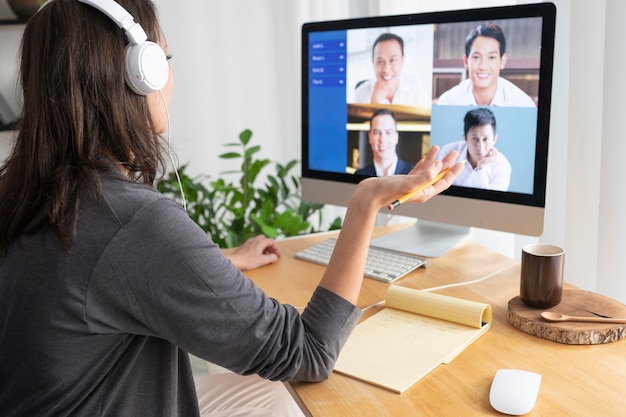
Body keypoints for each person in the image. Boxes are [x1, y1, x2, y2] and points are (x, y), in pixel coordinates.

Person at [0, 1, 462, 416]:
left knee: (274, 398)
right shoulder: (132, 223)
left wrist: (219, 261)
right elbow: (308, 352)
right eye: (166, 60)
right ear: (143, 74)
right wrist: (366, 201)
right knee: (300, 394)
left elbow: (95, 278)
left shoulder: (22, 191)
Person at [436, 23, 536, 107]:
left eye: (491, 57)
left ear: (502, 61)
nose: (483, 66)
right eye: (476, 57)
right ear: (466, 61)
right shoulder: (448, 102)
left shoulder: (522, 105)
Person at [438, 107, 511, 191]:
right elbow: (440, 190)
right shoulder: (448, 152)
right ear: (465, 138)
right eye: (474, 138)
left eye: (485, 139)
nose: (480, 146)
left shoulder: (502, 165)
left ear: (494, 139)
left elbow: (490, 201)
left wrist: (481, 168)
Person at [353, 32, 421, 106]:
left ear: (402, 61)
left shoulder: (415, 86)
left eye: (392, 60)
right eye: (380, 61)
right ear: (373, 62)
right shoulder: (361, 93)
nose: (386, 69)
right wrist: (374, 100)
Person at [355, 108, 414, 177]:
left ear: (396, 137)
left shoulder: (412, 174)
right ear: (370, 137)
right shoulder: (359, 175)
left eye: (388, 132)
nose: (382, 139)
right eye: (377, 133)